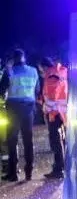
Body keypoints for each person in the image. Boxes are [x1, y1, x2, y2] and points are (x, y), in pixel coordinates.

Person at [0, 49, 40, 181]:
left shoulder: (10, 71)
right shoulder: (33, 71)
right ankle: (29, 172)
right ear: (24, 58)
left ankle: (13, 173)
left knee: (12, 140)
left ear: (14, 59)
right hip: (29, 108)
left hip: (13, 109)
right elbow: (37, 89)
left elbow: (1, 90)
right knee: (28, 141)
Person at [39, 57, 68, 179]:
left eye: (40, 68)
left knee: (56, 141)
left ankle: (58, 168)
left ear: (44, 67)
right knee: (64, 140)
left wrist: (45, 106)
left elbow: (52, 98)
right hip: (63, 112)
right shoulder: (60, 72)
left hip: (54, 113)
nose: (40, 71)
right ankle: (64, 166)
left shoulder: (50, 76)